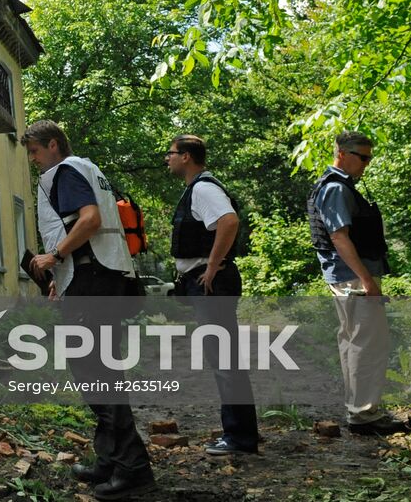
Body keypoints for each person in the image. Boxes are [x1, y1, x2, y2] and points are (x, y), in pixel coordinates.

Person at [25, 120, 156, 500]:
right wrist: (60, 278)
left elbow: (90, 220)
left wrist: (56, 256)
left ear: (53, 145)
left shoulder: (65, 171)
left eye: (34, 151)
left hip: (92, 280)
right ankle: (110, 460)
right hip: (102, 277)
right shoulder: (90, 168)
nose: (33, 159)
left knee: (96, 373)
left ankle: (132, 468)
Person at [166, 135, 260, 457]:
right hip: (206, 283)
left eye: (172, 153)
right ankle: (241, 432)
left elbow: (229, 221)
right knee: (225, 358)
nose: (168, 158)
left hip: (211, 283)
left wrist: (212, 266)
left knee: (225, 360)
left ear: (187, 157)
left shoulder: (204, 188)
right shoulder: (198, 188)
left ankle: (240, 438)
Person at [307, 131, 404, 435]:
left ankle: (359, 410)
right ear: (343, 154)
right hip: (352, 279)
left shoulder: (335, 185)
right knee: (367, 344)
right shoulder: (336, 188)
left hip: (346, 277)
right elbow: (339, 237)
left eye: (369, 158)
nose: (367, 164)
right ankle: (363, 416)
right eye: (363, 158)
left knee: (354, 343)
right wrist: (367, 280)